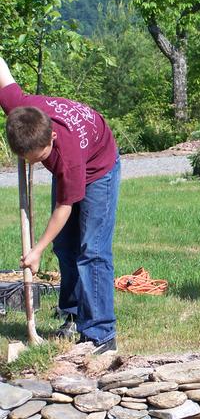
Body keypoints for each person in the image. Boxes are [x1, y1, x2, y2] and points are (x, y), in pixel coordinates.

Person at [0, 57, 120, 354]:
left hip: (98, 166)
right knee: (65, 247)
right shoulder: (19, 108)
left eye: (40, 158)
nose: (36, 164)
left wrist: (36, 250)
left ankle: (100, 333)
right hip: (74, 162)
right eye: (30, 160)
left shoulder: (68, 156)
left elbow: (64, 208)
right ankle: (72, 312)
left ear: (51, 137)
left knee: (92, 250)